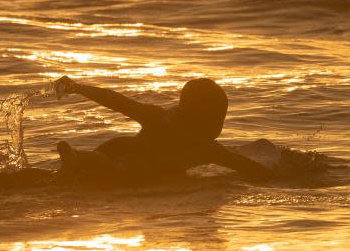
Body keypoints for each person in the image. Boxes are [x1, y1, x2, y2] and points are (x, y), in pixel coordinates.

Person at [52, 76, 273, 185]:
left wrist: (79, 88)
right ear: (207, 120)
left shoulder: (157, 116)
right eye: (219, 117)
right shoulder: (207, 148)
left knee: (81, 173)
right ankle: (79, 159)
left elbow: (118, 101)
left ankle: (77, 160)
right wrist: (283, 177)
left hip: (118, 146)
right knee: (118, 170)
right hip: (137, 167)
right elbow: (248, 167)